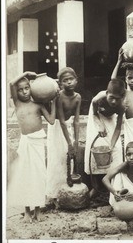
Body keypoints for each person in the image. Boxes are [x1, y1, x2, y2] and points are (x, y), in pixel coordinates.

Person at [8, 71, 56, 223]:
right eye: (21, 89)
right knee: (25, 176)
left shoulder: (39, 105)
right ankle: (27, 212)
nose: (24, 92)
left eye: (26, 88)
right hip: (25, 142)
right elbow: (11, 84)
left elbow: (52, 120)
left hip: (38, 142)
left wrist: (54, 102)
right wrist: (25, 73)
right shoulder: (17, 103)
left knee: (39, 175)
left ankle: (38, 210)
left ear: (31, 88)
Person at [84, 78, 126, 198]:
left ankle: (112, 185)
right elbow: (94, 114)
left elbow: (118, 128)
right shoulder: (98, 99)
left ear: (122, 97)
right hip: (96, 116)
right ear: (107, 93)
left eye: (117, 99)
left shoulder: (121, 107)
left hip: (110, 117)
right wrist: (100, 126)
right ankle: (95, 186)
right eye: (111, 97)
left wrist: (111, 145)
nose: (113, 101)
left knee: (115, 149)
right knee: (95, 147)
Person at [46, 67, 81, 206]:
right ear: (60, 84)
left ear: (76, 81)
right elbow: (61, 121)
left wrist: (76, 141)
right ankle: (54, 196)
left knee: (68, 159)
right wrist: (69, 143)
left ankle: (66, 191)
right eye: (65, 81)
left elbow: (77, 120)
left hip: (68, 127)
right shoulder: (59, 97)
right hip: (56, 129)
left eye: (71, 79)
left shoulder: (78, 97)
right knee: (57, 158)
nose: (69, 83)